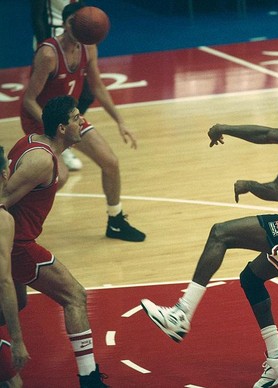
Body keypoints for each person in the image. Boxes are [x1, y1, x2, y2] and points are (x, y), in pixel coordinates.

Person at [141, 92, 278, 387]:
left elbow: (275, 191)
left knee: (220, 233)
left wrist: (248, 184)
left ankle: (181, 315)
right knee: (251, 279)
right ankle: (277, 361)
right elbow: (263, 134)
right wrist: (224, 128)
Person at [1, 96, 108, 387]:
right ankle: (89, 379)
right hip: (17, 245)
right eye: (76, 118)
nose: (82, 121)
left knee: (16, 303)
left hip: (15, 242)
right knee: (74, 295)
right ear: (62, 128)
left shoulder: (32, 141)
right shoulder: (40, 160)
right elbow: (2, 201)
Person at [21, 2, 145, 242]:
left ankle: (116, 221)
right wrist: (52, 128)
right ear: (68, 25)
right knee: (61, 176)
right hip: (41, 119)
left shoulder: (88, 48)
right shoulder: (48, 54)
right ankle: (16, 216)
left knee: (110, 162)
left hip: (68, 116)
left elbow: (97, 85)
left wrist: (120, 120)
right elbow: (28, 101)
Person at [30, 0, 92, 172]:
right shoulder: (48, 51)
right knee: (48, 97)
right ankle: (54, 139)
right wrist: (44, 45)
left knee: (87, 94)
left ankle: (64, 135)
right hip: (53, 39)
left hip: (74, 38)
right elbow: (37, 16)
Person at [0, 146, 30, 387]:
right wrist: (17, 339)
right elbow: (4, 281)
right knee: (14, 383)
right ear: (5, 174)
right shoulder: (3, 220)